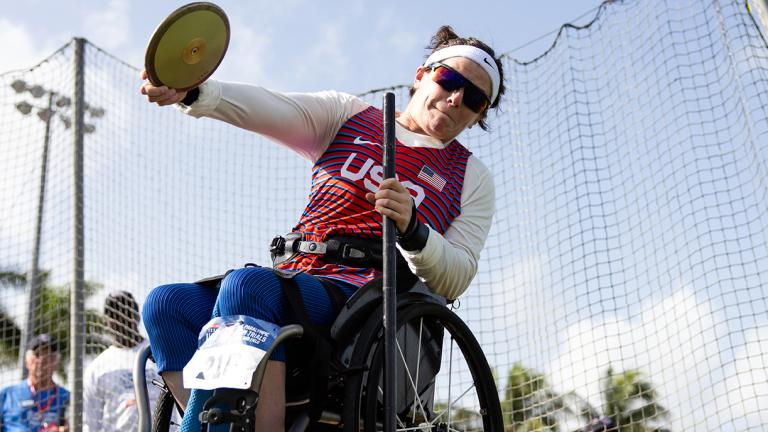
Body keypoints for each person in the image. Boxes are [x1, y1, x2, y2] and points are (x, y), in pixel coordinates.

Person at [140, 25, 505, 431]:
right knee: (165, 304)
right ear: (422, 75)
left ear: (479, 116)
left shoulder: (470, 175)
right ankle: (213, 424)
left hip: (365, 298)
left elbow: (457, 275)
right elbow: (267, 107)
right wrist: (193, 91)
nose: (456, 99)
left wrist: (413, 228)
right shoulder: (349, 116)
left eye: (474, 98)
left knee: (246, 286)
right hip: (300, 274)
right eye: (449, 80)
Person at [83, 291, 161, 432]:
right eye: (113, 314)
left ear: (136, 315)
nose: (120, 318)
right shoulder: (97, 367)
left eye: (125, 310)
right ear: (107, 321)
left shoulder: (158, 353)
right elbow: (90, 423)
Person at [0, 334, 69, 431]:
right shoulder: (7, 395)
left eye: (48, 355)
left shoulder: (67, 398)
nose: (42, 360)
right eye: (37, 354)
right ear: (27, 361)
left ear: (56, 362)